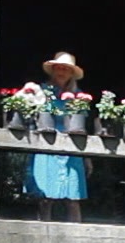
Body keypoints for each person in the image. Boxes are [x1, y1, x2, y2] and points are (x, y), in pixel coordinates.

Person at [25, 51, 89, 222]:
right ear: (52, 70)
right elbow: (31, 118)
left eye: (66, 69)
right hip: (46, 145)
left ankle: (78, 239)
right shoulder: (41, 91)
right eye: (58, 68)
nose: (62, 72)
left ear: (71, 73)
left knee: (73, 198)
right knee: (45, 198)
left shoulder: (79, 95)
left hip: (72, 149)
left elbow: (82, 127)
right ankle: (42, 236)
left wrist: (87, 157)